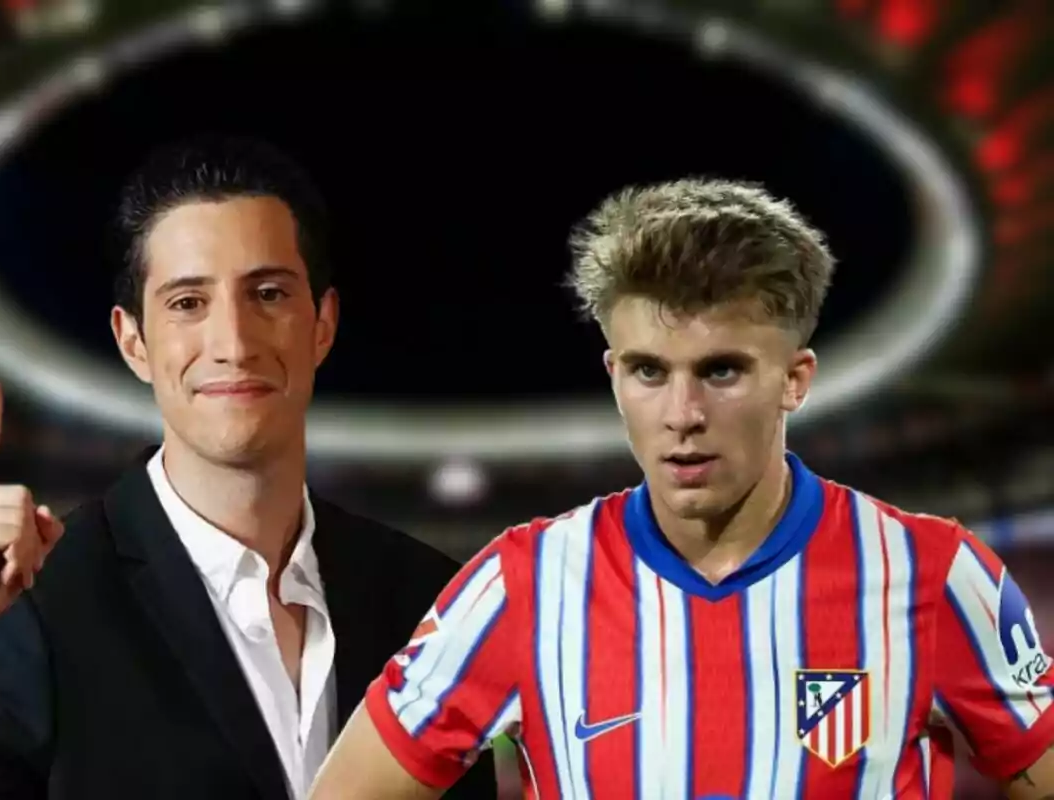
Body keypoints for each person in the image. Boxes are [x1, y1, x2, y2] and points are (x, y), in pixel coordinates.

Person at [308, 179, 1054, 799]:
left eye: (721, 370)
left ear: (795, 380)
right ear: (614, 376)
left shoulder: (935, 576)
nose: (683, 416)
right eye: (649, 371)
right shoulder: (521, 587)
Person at [0, 135, 496, 800]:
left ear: (322, 323)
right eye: (189, 303)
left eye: (268, 293)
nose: (233, 343)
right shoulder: (38, 605)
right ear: (132, 341)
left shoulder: (428, 603)